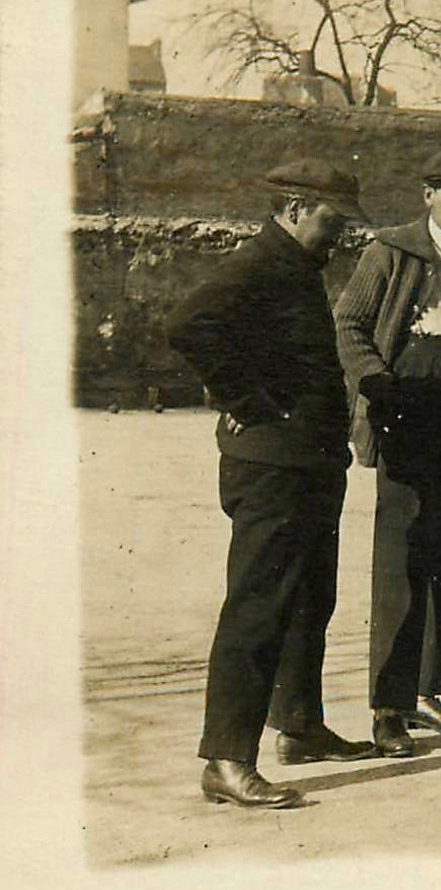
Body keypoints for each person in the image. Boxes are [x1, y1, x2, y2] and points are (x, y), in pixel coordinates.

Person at [167, 159, 375, 809]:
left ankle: (299, 724)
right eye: (329, 222)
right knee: (258, 606)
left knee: (311, 597)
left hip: (309, 464)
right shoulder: (257, 262)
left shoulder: (295, 266)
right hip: (271, 467)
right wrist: (246, 397)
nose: (336, 236)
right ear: (289, 209)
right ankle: (226, 757)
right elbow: (187, 324)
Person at [335, 145, 441, 757]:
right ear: (427, 195)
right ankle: (387, 705)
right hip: (409, 405)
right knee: (400, 556)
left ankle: (428, 691)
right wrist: (375, 382)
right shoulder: (390, 251)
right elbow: (350, 323)